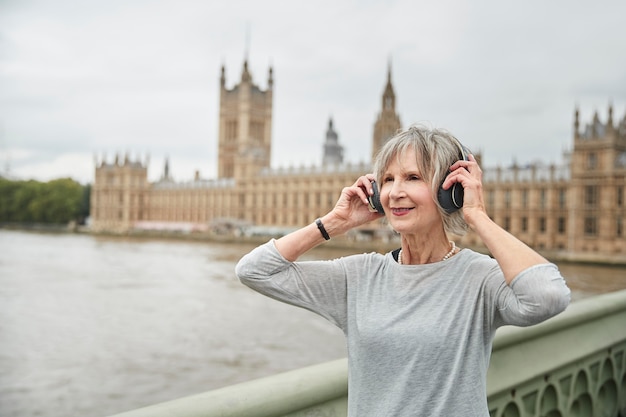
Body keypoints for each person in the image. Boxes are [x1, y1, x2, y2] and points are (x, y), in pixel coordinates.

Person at [235, 123, 570, 416]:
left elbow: (548, 296)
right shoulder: (360, 277)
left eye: (413, 178)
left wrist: (477, 215)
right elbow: (255, 271)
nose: (395, 192)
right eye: (388, 179)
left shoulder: (479, 278)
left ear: (449, 190)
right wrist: (334, 223)